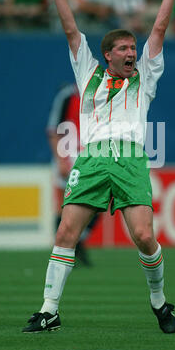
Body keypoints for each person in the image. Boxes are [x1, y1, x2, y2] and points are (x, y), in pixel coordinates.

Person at [22, 0, 175, 334]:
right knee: (66, 232)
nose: (133, 53)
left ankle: (159, 302)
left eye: (134, 49)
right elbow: (69, 28)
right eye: (125, 50)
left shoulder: (144, 78)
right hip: (93, 159)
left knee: (145, 237)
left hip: (130, 159)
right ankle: (49, 310)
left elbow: (160, 27)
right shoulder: (88, 72)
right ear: (108, 55)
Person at [46, 82, 98, 266]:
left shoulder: (100, 95)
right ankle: (61, 252)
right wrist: (61, 160)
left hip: (89, 157)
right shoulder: (67, 96)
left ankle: (77, 242)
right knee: (63, 205)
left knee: (98, 202)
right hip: (67, 156)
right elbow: (53, 130)